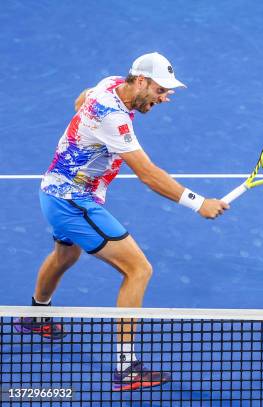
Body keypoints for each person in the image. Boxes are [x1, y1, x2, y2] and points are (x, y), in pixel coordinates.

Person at [14, 52, 229, 390]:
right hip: (73, 202)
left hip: (53, 190)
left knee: (65, 255)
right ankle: (127, 368)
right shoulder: (114, 118)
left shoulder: (111, 84)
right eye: (160, 90)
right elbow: (148, 174)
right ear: (140, 81)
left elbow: (81, 99)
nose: (164, 98)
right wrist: (198, 202)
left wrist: (88, 132)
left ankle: (36, 316)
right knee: (138, 269)